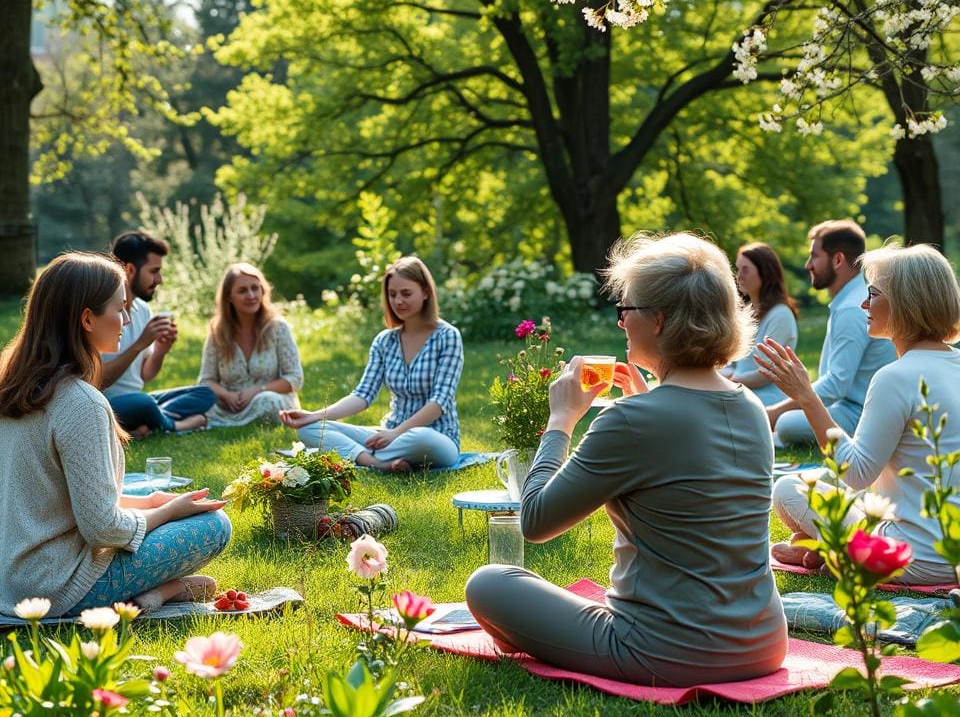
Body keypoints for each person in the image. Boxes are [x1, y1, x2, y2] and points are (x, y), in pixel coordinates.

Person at [465, 233, 787, 687]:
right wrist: (644, 402)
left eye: (626, 311)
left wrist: (561, 420)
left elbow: (535, 521)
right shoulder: (748, 404)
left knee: (488, 583)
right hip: (763, 645)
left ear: (657, 320)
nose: (620, 324)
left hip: (666, 652)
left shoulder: (633, 419)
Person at [0, 252, 231, 617]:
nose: (126, 320)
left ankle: (166, 588)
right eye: (119, 309)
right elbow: (103, 530)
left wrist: (149, 501)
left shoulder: (13, 385)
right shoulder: (80, 403)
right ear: (88, 318)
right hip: (52, 588)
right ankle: (166, 590)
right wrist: (169, 512)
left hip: (9, 576)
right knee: (215, 524)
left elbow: (53, 499)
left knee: (140, 492)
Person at [759, 244, 960, 584]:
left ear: (905, 302)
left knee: (788, 490)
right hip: (953, 554)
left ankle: (833, 552)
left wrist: (807, 397)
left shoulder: (895, 377)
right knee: (837, 491)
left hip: (911, 556)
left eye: (873, 293)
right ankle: (827, 551)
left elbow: (855, 473)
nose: (864, 304)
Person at [280, 256, 462, 473]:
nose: (398, 301)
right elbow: (362, 395)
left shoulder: (448, 336)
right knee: (309, 430)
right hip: (387, 434)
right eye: (392, 294)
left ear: (425, 292)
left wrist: (396, 434)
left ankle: (350, 454)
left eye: (406, 293)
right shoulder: (384, 341)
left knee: (423, 437)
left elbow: (438, 402)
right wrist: (315, 415)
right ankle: (377, 464)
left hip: (434, 437)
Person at [766, 220, 895, 445]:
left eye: (814, 256)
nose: (807, 265)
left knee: (786, 423)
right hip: (844, 406)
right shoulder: (849, 301)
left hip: (859, 414)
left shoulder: (851, 309)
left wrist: (774, 413)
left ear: (837, 260)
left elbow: (835, 385)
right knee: (782, 414)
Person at [101, 231, 215, 436]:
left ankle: (145, 423)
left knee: (205, 394)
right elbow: (97, 381)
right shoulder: (104, 312)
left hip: (138, 400)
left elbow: (145, 375)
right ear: (129, 269)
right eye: (154, 271)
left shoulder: (142, 310)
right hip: (106, 405)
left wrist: (160, 351)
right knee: (143, 402)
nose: (159, 280)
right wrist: (140, 344)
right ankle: (174, 425)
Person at [199, 263, 304, 427]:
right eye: (242, 291)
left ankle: (217, 423)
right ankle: (220, 420)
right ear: (229, 297)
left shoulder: (278, 328)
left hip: (268, 399)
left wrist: (257, 391)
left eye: (255, 288)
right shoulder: (217, 331)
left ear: (263, 291)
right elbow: (206, 381)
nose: (251, 295)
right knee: (197, 401)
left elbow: (295, 379)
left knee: (267, 401)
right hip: (229, 405)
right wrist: (226, 395)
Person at [723, 242, 799, 406]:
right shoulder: (745, 313)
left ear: (765, 272)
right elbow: (733, 363)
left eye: (746, 269)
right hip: (739, 393)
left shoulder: (781, 314)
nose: (739, 275)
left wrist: (728, 383)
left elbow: (767, 372)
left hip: (766, 400)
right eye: (738, 269)